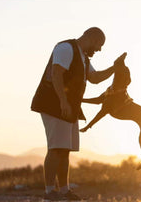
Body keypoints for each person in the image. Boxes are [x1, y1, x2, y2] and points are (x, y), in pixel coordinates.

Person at [31, 27, 115, 201]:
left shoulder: (83, 56)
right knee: (56, 148)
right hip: (54, 104)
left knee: (65, 150)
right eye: (99, 44)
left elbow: (95, 77)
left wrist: (115, 68)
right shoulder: (65, 48)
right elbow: (56, 74)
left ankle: (63, 190)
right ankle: (49, 192)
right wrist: (63, 101)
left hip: (70, 107)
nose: (99, 49)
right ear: (90, 37)